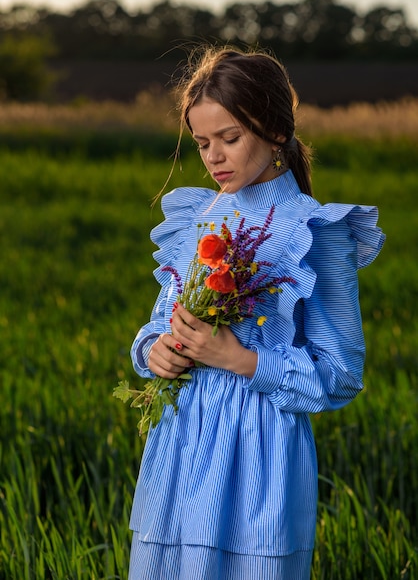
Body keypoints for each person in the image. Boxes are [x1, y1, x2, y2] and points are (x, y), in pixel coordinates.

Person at [128, 47, 385, 580]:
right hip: (179, 443)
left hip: (261, 455)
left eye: (230, 138)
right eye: (202, 143)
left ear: (273, 131)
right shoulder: (196, 221)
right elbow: (158, 324)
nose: (213, 157)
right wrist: (157, 352)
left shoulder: (318, 232)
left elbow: (339, 376)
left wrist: (241, 359)